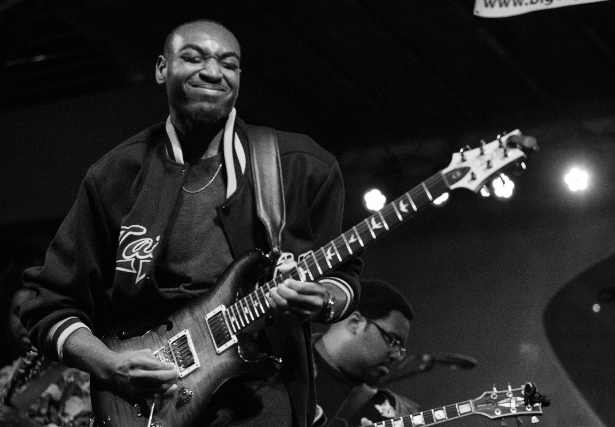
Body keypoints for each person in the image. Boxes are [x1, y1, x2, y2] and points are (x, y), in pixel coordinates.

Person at [20, 19, 361, 427]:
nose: (213, 72)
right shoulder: (115, 175)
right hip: (146, 406)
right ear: (162, 68)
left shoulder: (301, 166)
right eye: (194, 57)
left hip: (265, 405)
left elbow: (343, 279)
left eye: (228, 63)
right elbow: (50, 304)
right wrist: (109, 366)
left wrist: (323, 300)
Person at [312, 279, 417, 427]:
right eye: (393, 341)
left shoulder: (394, 414)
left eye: (400, 348)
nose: (397, 355)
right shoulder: (285, 366)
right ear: (355, 323)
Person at [1, 262, 93, 427]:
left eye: (33, 311)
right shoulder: (5, 375)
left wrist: (22, 424)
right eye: (17, 312)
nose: (24, 320)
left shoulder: (79, 374)